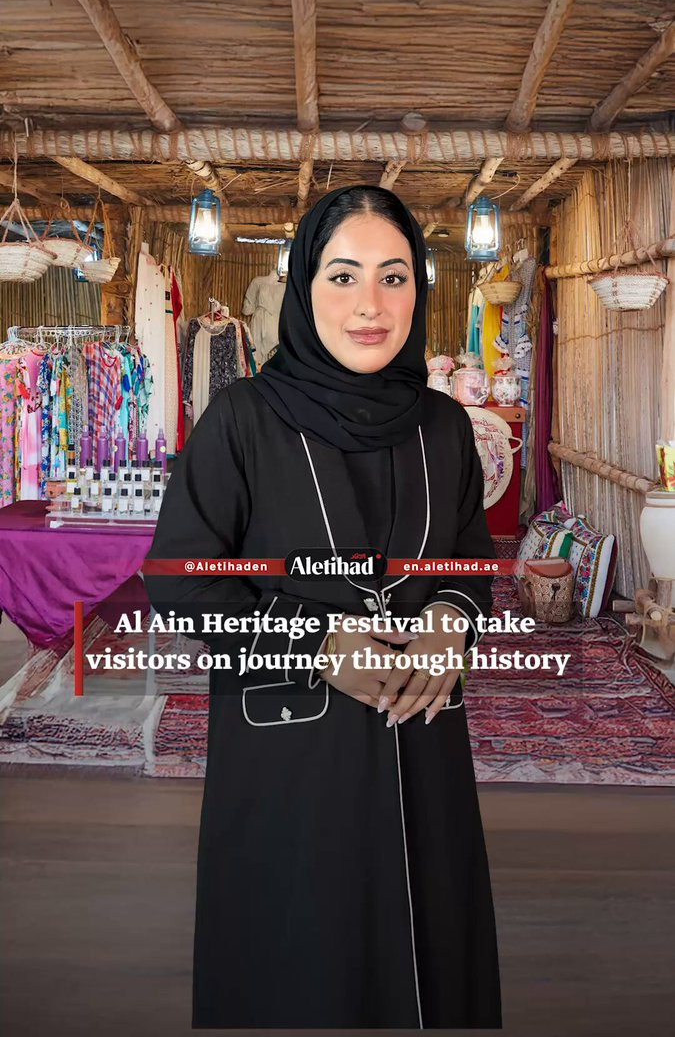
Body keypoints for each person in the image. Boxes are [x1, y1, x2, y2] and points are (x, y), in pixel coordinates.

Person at [144, 185, 502, 1029]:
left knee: (427, 952)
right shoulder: (242, 421)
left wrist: (449, 619)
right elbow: (182, 580)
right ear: (304, 289)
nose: (369, 304)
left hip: (422, 745)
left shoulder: (444, 428)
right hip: (289, 762)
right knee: (297, 963)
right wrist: (314, 641)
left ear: (418, 289)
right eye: (342, 276)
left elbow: (468, 562)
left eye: (393, 276)